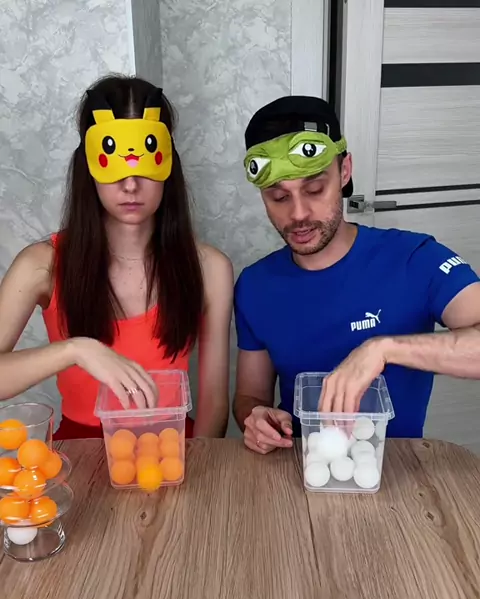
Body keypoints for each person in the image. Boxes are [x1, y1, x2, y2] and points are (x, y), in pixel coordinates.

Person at [233, 95, 480, 454]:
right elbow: (250, 396)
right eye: (278, 197)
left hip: (397, 472)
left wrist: (383, 349)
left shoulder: (415, 258)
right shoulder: (255, 285)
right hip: (299, 470)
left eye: (314, 189)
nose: (298, 213)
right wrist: (255, 418)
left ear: (345, 171)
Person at [0, 75, 233, 439]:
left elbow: (214, 402)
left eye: (146, 160)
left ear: (168, 164)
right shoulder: (41, 264)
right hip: (81, 454)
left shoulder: (209, 268)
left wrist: (197, 468)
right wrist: (75, 350)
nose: (130, 184)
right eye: (112, 160)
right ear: (89, 166)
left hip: (174, 450)